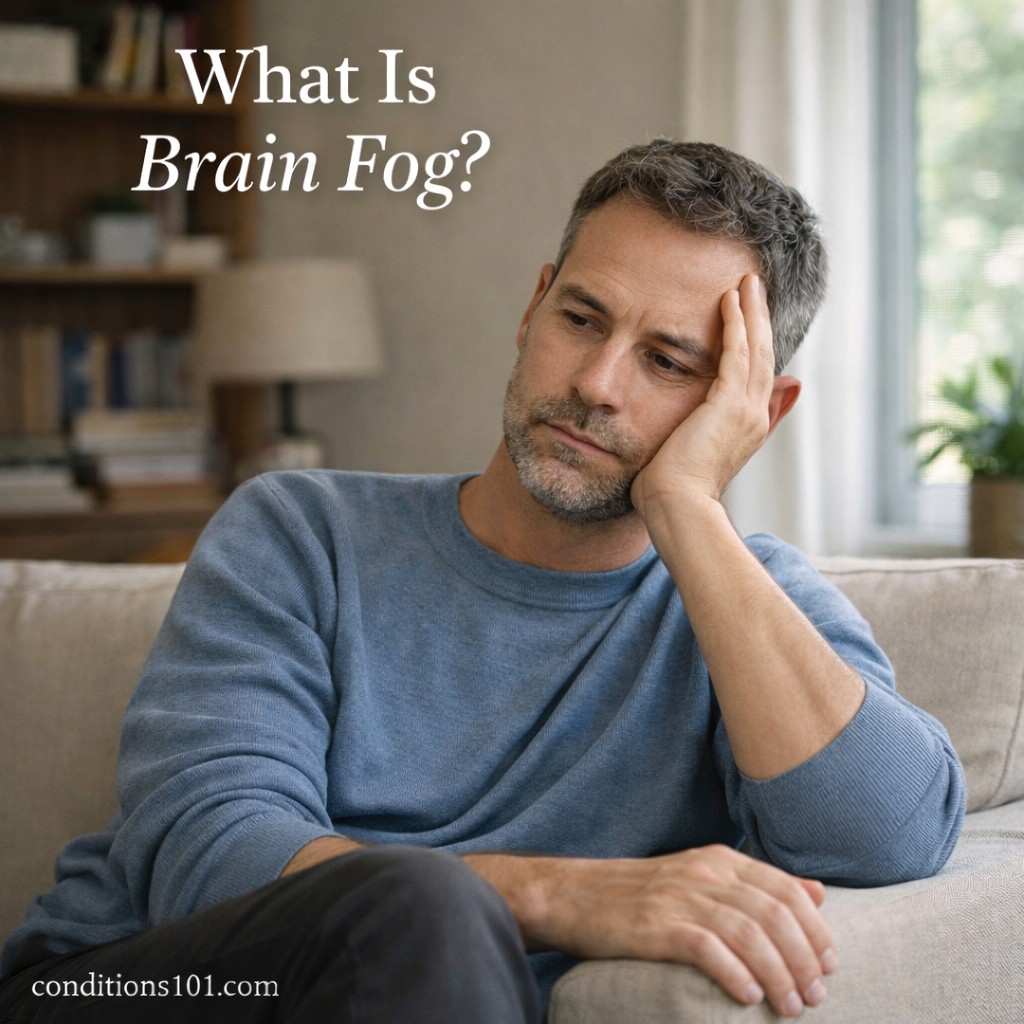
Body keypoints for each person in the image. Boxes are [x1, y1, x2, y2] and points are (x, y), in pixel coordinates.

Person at [0, 141, 964, 1023]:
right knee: (420, 905)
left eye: (669, 361)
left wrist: (687, 508)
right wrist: (554, 895)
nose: (596, 382)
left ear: (757, 407)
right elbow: (207, 853)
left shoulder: (748, 605)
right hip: (135, 985)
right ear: (533, 305)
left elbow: (889, 837)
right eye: (580, 318)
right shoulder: (300, 530)